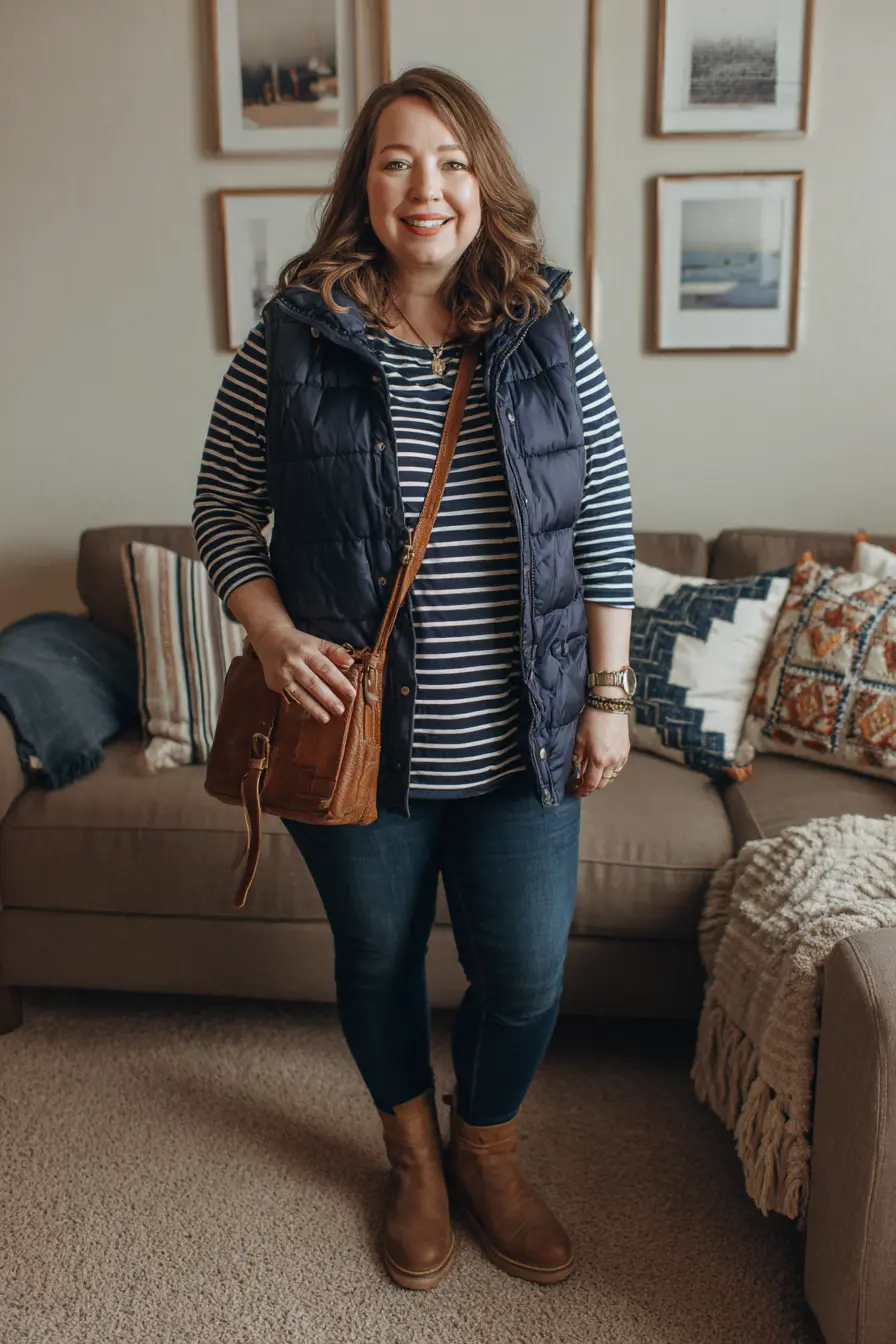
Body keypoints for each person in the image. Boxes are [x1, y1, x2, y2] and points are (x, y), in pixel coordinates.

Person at [193, 65, 636, 1291]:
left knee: (529, 971)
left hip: (520, 742)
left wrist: (608, 694)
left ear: (483, 184)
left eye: (448, 161)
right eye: (395, 161)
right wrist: (273, 636)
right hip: (357, 747)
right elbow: (221, 511)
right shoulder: (291, 333)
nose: (424, 187)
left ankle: (484, 1147)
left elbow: (602, 517)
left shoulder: (550, 333)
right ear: (363, 186)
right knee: (377, 959)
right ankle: (413, 1161)